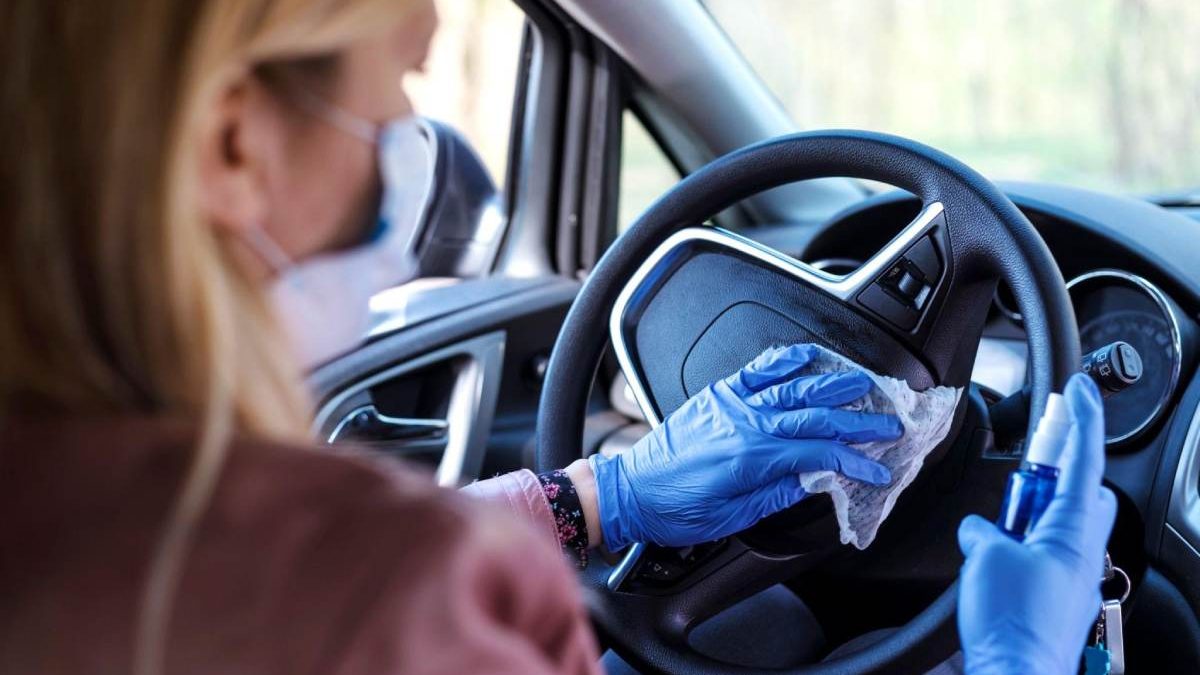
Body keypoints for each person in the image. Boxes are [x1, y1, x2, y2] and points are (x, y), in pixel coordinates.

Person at [0, 1, 1116, 674]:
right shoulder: (377, 606)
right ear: (233, 146)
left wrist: (596, 500)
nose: (414, 154)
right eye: (393, 97)